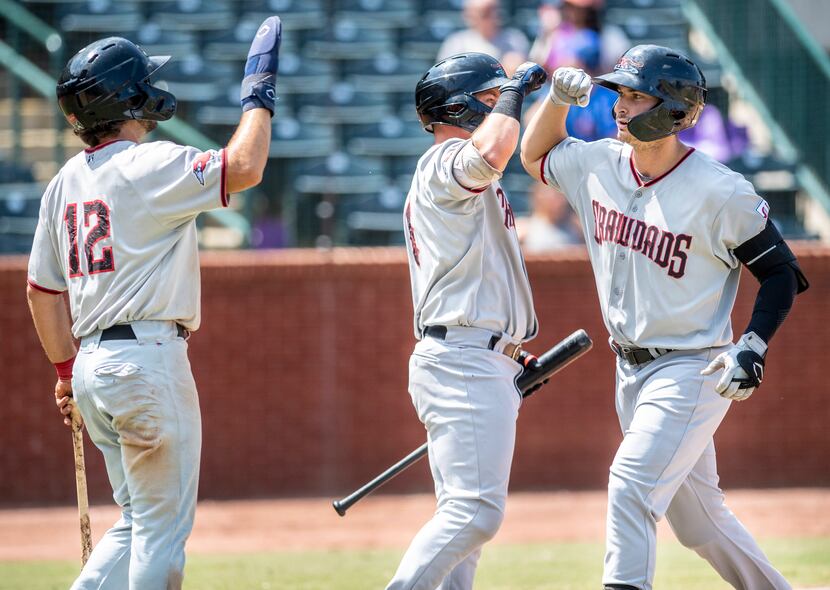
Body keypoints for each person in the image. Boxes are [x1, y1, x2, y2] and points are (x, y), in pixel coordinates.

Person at [520, 44, 808, 590]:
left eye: (635, 95)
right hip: (628, 370)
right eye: (619, 94)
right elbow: (534, 158)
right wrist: (557, 100)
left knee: (630, 484)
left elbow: (780, 273)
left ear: (673, 108)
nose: (620, 107)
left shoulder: (722, 192)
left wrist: (754, 342)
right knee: (700, 524)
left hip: (691, 368)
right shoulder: (597, 162)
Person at [25, 16, 281, 589]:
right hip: (146, 360)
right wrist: (258, 96)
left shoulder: (63, 182)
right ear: (126, 97)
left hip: (93, 366)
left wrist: (66, 371)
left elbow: (42, 292)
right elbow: (245, 167)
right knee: (161, 531)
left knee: (140, 520)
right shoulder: (149, 161)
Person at [387, 53, 546, 590]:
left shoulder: (454, 170)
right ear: (458, 106)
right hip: (462, 359)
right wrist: (517, 90)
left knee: (467, 529)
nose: (497, 103)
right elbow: (495, 149)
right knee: (475, 514)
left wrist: (511, 347)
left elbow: (477, 274)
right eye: (487, 96)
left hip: (476, 354)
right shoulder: (445, 158)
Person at [436, 0, 529, 75]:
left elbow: (521, 72)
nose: (492, 16)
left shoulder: (514, 39)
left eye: (494, 10)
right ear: (470, 15)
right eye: (484, 13)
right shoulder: (457, 42)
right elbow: (445, 74)